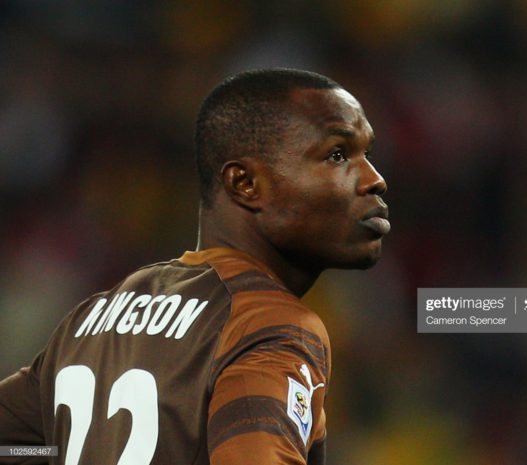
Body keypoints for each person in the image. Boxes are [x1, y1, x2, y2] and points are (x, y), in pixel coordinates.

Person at [0, 69, 389, 465]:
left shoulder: (90, 321)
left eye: (367, 156)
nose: (374, 180)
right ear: (245, 184)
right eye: (338, 155)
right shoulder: (268, 325)